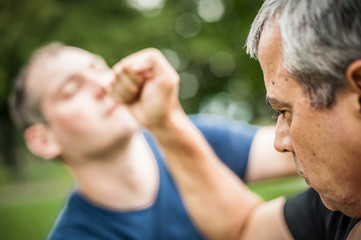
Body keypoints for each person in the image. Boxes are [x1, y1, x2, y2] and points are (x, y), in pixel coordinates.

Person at [9, 43, 296, 240]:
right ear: (43, 140)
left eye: (98, 68)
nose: (103, 85)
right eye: (71, 90)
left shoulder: (194, 135)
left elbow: (309, 148)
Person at [135, 0, 361, 239]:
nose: (280, 142)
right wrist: (164, 120)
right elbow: (247, 229)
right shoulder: (338, 207)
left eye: (285, 111)